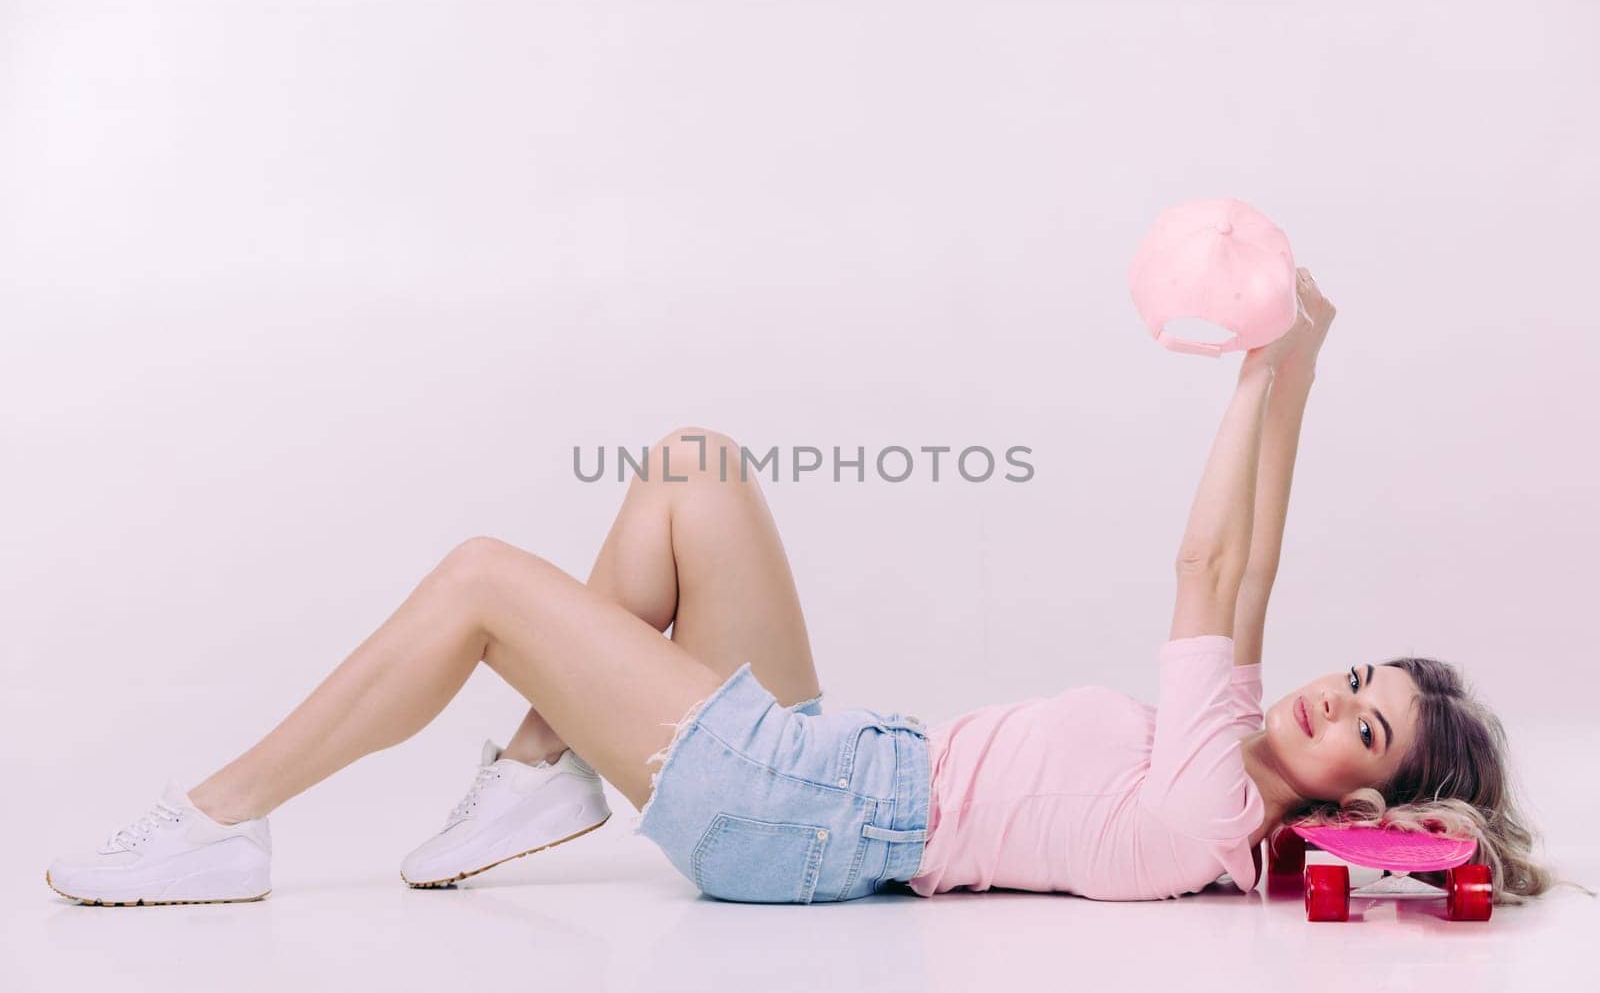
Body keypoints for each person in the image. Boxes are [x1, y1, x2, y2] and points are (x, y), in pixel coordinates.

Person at [44, 270, 1567, 907]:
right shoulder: (1232, 746)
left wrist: (1261, 367)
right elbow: (1259, 572)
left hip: (804, 815)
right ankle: (537, 775)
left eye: (1363, 731)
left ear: (1358, 806)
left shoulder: (1206, 806)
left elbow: (1214, 563)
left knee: (481, 582)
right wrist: (1299, 358)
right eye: (1360, 675)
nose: (1334, 696)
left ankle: (221, 824)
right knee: (694, 465)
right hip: (840, 763)